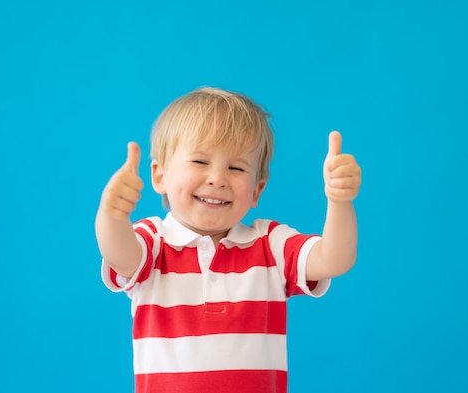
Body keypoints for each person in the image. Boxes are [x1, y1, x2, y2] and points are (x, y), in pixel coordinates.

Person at [95, 87, 361, 393]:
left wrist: (340, 201)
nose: (218, 178)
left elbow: (334, 259)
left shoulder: (271, 245)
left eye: (236, 168)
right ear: (159, 177)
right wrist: (112, 214)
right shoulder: (152, 243)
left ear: (257, 191)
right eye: (199, 162)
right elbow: (118, 252)